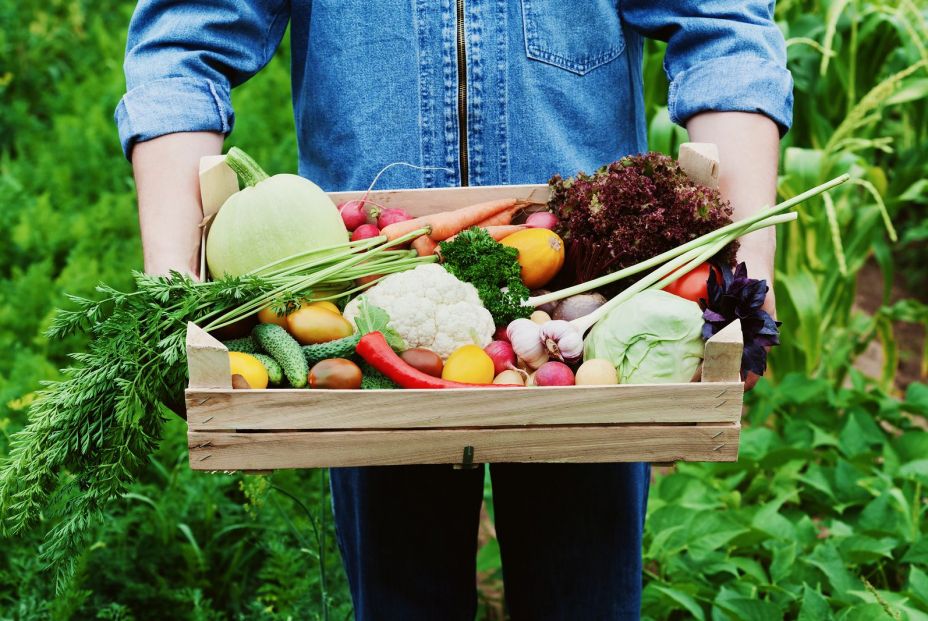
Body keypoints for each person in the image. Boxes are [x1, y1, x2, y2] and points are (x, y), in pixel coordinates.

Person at [118, 2, 791, 619]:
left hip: (591, 305)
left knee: (583, 599)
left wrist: (746, 272)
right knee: (402, 601)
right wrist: (173, 284)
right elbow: (184, 39)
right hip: (365, 306)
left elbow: (724, 29)